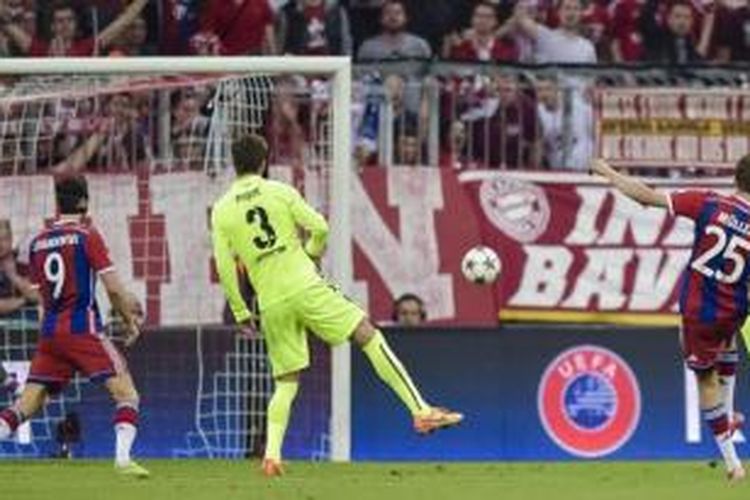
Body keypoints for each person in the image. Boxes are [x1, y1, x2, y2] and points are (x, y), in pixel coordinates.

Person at [211, 134, 463, 477]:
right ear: (263, 161)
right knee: (368, 335)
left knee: (285, 381)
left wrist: (241, 310)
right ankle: (420, 410)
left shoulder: (223, 209)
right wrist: (312, 254)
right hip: (305, 284)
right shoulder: (280, 191)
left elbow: (225, 266)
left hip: (270, 301)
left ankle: (271, 456)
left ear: (235, 164)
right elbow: (320, 227)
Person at [591, 156, 749, 482]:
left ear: (736, 176)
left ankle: (733, 464)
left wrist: (608, 172)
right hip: (736, 307)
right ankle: (730, 411)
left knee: (705, 380)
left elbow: (645, 196)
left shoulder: (709, 202)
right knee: (729, 338)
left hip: (698, 312)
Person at [0, 177, 148, 478]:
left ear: (57, 202)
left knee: (27, 403)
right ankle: (122, 459)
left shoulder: (38, 242)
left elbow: (41, 295)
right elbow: (115, 291)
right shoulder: (86, 236)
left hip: (51, 331)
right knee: (127, 393)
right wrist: (129, 320)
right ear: (84, 201)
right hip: (82, 328)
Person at [0, 0, 148, 57]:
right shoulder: (40, 49)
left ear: (76, 24)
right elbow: (7, 25)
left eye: (69, 20)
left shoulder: (87, 47)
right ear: (51, 27)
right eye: (60, 21)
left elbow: (124, 21)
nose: (65, 25)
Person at [356, 0, 431, 61]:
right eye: (388, 13)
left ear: (406, 18)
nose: (393, 17)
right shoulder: (368, 48)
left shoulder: (420, 45)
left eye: (398, 13)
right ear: (380, 19)